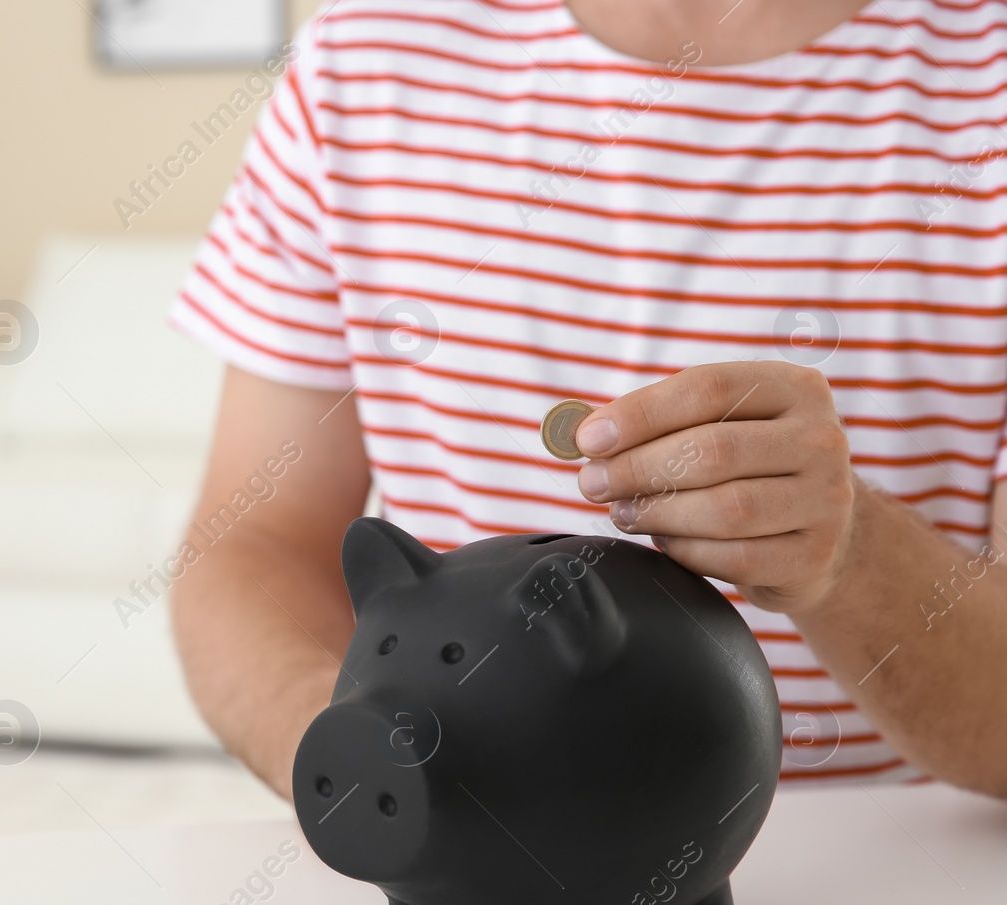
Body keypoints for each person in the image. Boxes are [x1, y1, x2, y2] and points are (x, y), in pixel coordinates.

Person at [167, 0, 1007, 801]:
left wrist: (850, 556)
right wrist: (374, 768)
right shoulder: (359, 64)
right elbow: (254, 549)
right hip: (467, 898)